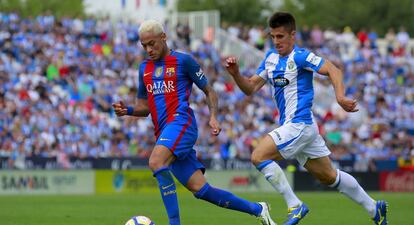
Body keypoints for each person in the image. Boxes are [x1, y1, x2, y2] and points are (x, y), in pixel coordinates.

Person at [224, 12, 388, 225]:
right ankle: (374, 207)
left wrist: (339, 96)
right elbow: (250, 87)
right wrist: (236, 74)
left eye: (281, 36)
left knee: (258, 156)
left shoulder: (300, 56)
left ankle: (295, 205)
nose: (276, 41)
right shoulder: (270, 59)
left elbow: (332, 69)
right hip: (300, 128)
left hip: (299, 124)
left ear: (293, 35)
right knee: (329, 177)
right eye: (273, 36)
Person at [112, 20, 276, 225]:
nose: (148, 49)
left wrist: (214, 116)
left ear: (163, 37)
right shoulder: (144, 68)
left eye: (152, 43)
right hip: (165, 131)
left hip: (182, 123)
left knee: (156, 161)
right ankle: (258, 209)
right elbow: (144, 107)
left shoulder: (183, 61)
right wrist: (127, 110)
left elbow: (209, 90)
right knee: (201, 190)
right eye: (144, 45)